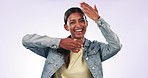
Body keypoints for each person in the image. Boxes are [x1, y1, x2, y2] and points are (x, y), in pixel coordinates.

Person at [22, 2, 122, 78]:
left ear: (86, 23)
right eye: (73, 22)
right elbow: (26, 41)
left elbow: (116, 46)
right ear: (66, 27)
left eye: (81, 20)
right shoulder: (54, 49)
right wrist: (59, 42)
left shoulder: (95, 49)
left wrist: (98, 20)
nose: (78, 25)